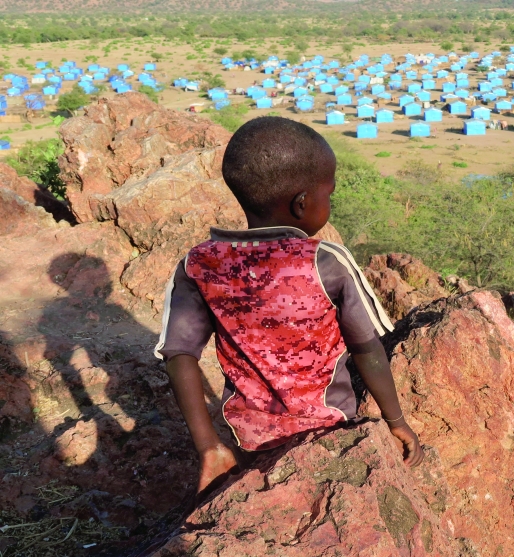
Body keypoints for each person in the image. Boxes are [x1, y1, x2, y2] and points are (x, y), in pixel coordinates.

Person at [155, 116, 423, 495]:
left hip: (249, 440)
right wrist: (395, 420)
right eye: (328, 193)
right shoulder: (326, 261)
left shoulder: (200, 263)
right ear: (301, 204)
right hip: (329, 432)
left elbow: (179, 353)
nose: (329, 200)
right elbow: (368, 349)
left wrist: (209, 447)